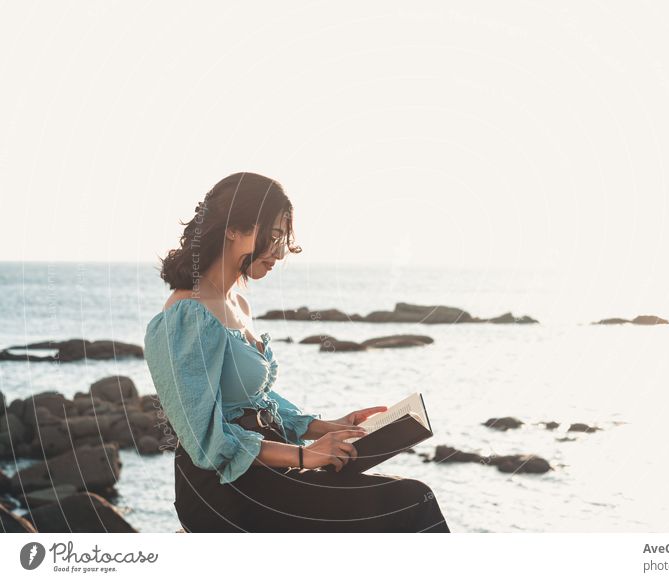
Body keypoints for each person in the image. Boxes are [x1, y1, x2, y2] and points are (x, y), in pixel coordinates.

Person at [143, 172, 450, 532]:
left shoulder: (238, 302)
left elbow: (255, 400)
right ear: (232, 228)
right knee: (412, 500)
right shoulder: (186, 315)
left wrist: (328, 427)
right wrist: (308, 454)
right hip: (224, 488)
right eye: (273, 236)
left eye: (282, 239)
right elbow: (205, 442)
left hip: (269, 468)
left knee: (398, 492)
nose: (279, 252)